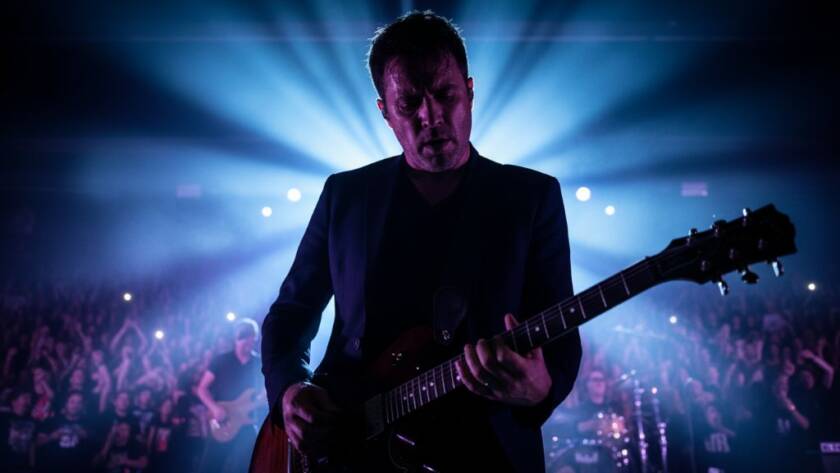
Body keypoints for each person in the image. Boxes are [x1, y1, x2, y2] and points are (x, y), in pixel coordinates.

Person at [260, 10, 581, 472]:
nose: (430, 116)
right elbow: (291, 314)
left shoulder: (530, 197)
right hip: (353, 449)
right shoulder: (345, 196)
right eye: (409, 103)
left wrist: (540, 387)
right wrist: (291, 389)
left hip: (482, 451)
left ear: (469, 91)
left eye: (445, 94)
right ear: (385, 112)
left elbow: (561, 330)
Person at [196, 318, 263, 473]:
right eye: (245, 337)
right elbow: (202, 388)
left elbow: (263, 393)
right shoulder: (221, 360)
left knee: (244, 467)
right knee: (209, 467)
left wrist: (263, 399)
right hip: (222, 422)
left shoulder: (258, 363)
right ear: (237, 338)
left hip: (246, 423)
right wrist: (215, 408)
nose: (250, 341)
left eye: (253, 337)